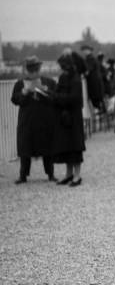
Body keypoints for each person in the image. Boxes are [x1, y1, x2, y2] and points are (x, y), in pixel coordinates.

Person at [11, 56, 57, 184]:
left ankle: (51, 174)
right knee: (25, 148)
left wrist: (44, 91)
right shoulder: (20, 84)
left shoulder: (49, 82)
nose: (34, 72)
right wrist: (25, 92)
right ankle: (23, 175)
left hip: (45, 121)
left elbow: (55, 98)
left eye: (35, 69)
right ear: (27, 70)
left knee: (47, 148)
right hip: (27, 121)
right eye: (31, 69)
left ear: (39, 69)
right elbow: (15, 100)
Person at [53, 52, 86, 187]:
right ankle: (69, 174)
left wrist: (58, 97)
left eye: (61, 66)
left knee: (75, 146)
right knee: (67, 145)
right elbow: (58, 93)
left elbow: (75, 98)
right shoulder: (64, 78)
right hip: (65, 117)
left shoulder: (75, 79)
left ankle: (77, 175)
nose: (60, 69)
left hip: (74, 118)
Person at [80, 44, 105, 112]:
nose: (83, 52)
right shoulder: (93, 58)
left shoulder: (90, 59)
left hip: (94, 86)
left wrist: (82, 75)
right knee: (99, 106)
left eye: (84, 50)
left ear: (88, 50)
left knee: (96, 106)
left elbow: (87, 71)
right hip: (97, 85)